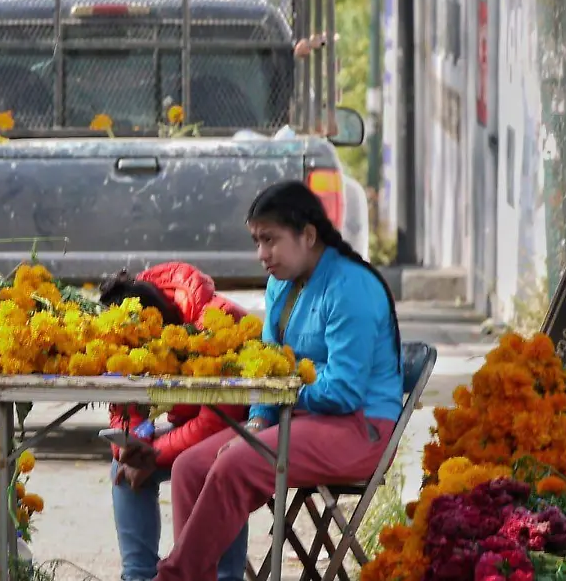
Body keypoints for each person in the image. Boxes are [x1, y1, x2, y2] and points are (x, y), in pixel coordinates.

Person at [153, 181, 403, 581]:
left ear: (308, 235)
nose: (261, 254)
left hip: (360, 428)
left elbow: (342, 392)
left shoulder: (351, 286)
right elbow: (266, 364)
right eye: (256, 241)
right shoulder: (280, 284)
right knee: (190, 466)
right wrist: (256, 421)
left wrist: (283, 397)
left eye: (270, 240)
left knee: (235, 462)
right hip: (300, 420)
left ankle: (174, 576)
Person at [98, 263, 252, 581]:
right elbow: (125, 399)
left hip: (236, 431)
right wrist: (133, 445)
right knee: (122, 469)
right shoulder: (128, 316)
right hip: (190, 428)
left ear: (163, 326)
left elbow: (221, 420)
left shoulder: (217, 321)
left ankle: (224, 576)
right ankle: (138, 576)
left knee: (216, 468)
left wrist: (153, 453)